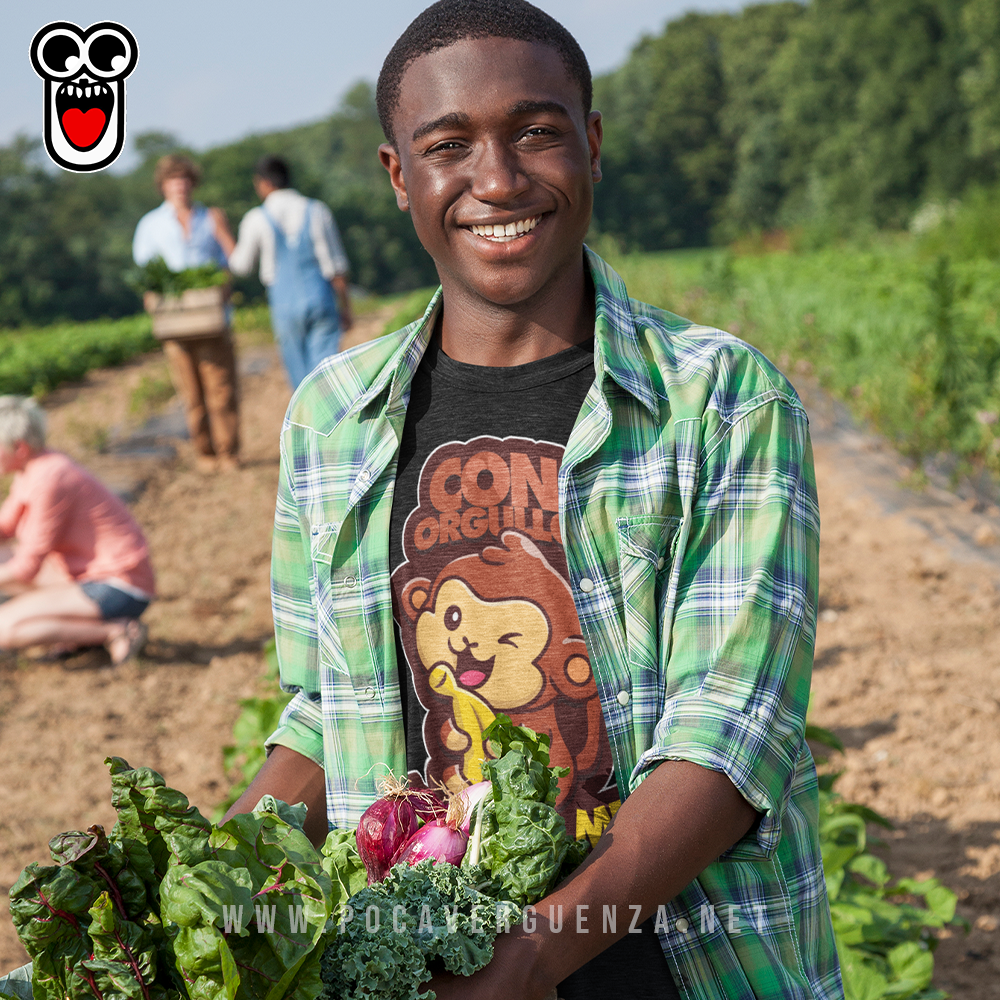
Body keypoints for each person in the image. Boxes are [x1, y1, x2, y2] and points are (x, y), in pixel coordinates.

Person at [225, 1, 843, 998]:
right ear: (399, 178)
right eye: (448, 144)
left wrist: (528, 959)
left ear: (591, 145)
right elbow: (318, 707)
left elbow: (732, 733)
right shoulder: (330, 415)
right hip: (422, 960)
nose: (499, 178)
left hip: (670, 961)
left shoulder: (719, 398)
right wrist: (208, 885)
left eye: (537, 132)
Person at [0, 396, 154, 665]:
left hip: (118, 586)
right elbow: (3, 528)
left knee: (3, 629)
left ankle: (114, 631)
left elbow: (27, 567)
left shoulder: (51, 479)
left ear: (19, 447)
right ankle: (74, 626)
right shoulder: (34, 469)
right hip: (81, 573)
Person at [132, 153, 241, 473]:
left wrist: (223, 285)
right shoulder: (151, 225)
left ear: (192, 183)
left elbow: (231, 262)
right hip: (175, 320)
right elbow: (146, 274)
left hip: (210, 316)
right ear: (163, 186)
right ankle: (204, 452)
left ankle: (229, 452)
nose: (179, 186)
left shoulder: (210, 218)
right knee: (191, 394)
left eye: (184, 180)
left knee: (221, 389)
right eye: (172, 181)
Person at [228, 156, 354, 389]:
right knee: (326, 376)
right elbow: (336, 266)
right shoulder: (316, 210)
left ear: (263, 183)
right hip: (321, 298)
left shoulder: (256, 218)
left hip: (284, 305)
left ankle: (306, 423)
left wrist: (223, 235)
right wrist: (346, 307)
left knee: (302, 383)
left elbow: (241, 266)